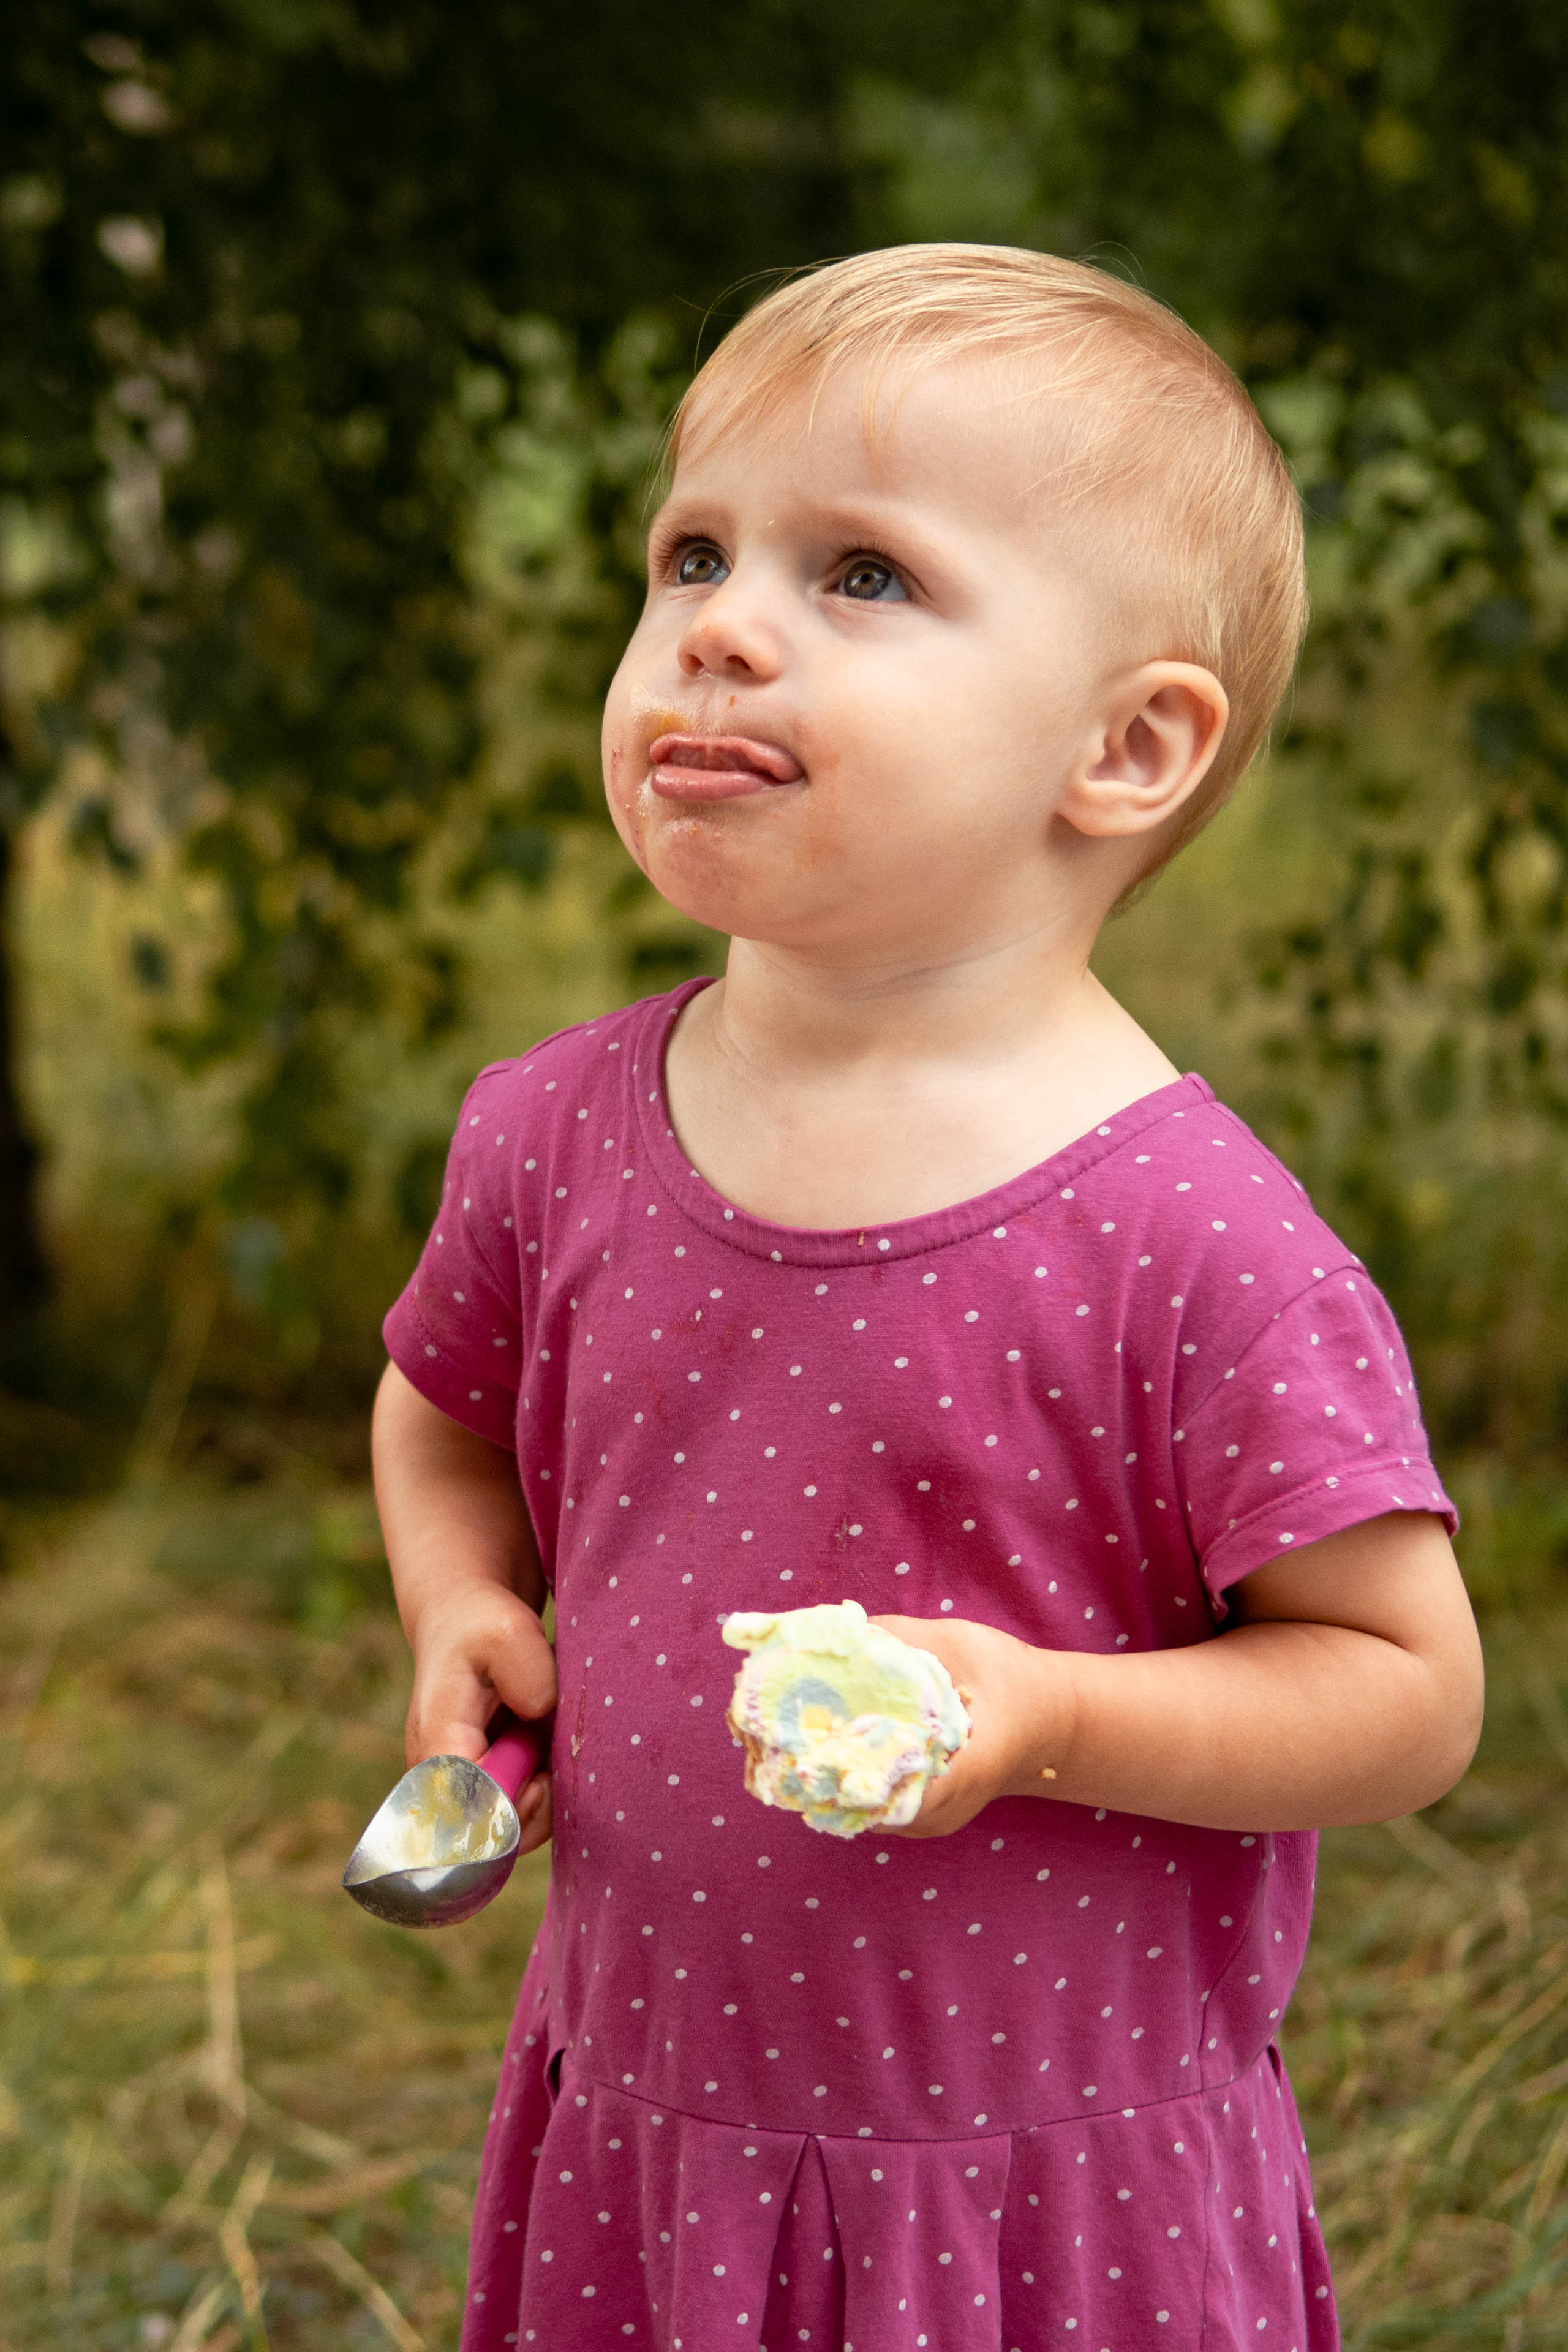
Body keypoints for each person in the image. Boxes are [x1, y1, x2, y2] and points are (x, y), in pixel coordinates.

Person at [372, 244, 1483, 2352]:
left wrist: (1046, 1717)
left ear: (1130, 748)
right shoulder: (555, 1131)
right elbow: (439, 1402)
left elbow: (1408, 1695)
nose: (721, 623)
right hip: (659, 2134)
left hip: (1048, 2195)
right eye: (690, 550)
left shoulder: (1197, 1243)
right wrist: (460, 1603)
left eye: (860, 575)